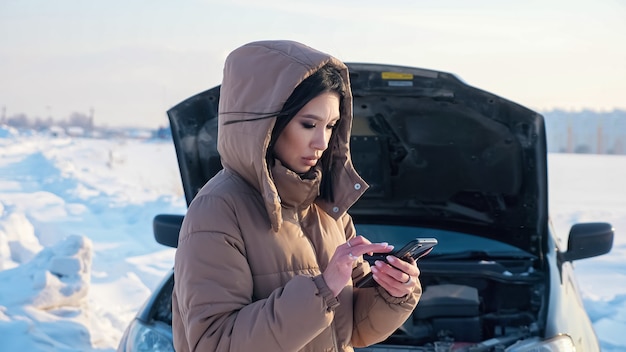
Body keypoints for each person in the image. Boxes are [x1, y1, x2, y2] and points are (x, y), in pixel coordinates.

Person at [172, 40, 422, 352]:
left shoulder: (328, 209)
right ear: (266, 122)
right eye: (308, 124)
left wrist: (393, 292)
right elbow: (215, 343)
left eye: (331, 126)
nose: (321, 141)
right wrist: (322, 290)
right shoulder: (218, 209)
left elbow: (353, 329)